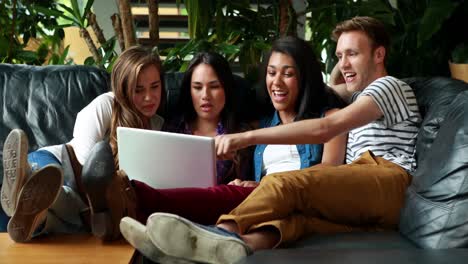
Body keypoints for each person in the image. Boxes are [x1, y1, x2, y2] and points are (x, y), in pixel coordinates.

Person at [127, 16, 423, 264]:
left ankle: (214, 233)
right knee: (292, 223)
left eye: (353, 54)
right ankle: (218, 250)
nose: (344, 64)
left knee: (283, 183)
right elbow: (323, 85)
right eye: (339, 55)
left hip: (387, 177)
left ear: (379, 55)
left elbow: (325, 127)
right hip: (370, 199)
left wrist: (246, 137)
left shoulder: (389, 87)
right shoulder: (358, 96)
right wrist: (338, 71)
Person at [118, 36, 348, 262]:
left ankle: (139, 200)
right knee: (236, 198)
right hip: (263, 204)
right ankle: (173, 240)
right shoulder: (262, 123)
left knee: (232, 195)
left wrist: (265, 185)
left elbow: (326, 175)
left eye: (287, 74)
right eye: (271, 73)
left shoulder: (331, 121)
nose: (276, 82)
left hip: (293, 195)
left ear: (304, 78)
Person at [1, 45, 166, 243]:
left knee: (52, 220)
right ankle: (28, 176)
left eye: (154, 87)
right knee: (60, 194)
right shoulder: (107, 104)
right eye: (138, 90)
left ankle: (30, 209)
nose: (149, 97)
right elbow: (87, 164)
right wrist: (95, 212)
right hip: (56, 164)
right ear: (123, 87)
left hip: (76, 203)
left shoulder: (157, 126)